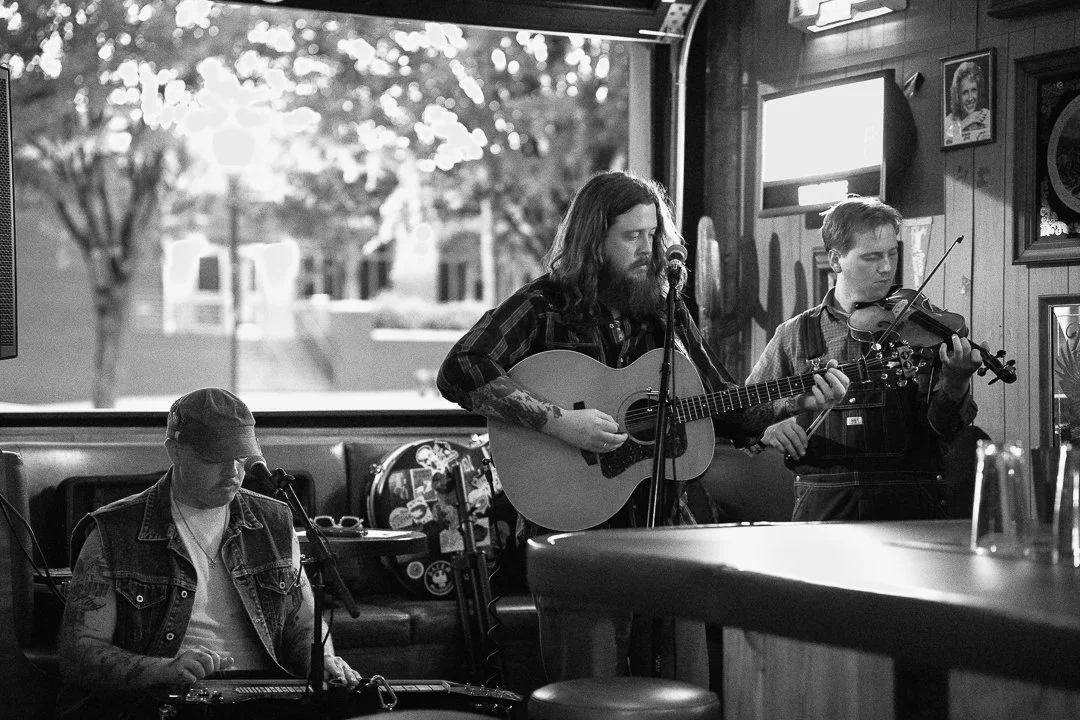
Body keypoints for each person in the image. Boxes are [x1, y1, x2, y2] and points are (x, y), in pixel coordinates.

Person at [437, 170, 848, 685]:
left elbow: (722, 402)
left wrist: (792, 398)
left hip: (665, 533)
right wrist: (560, 422)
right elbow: (461, 369)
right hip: (574, 534)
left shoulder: (663, 308)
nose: (648, 248)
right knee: (590, 694)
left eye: (654, 234)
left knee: (683, 687)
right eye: (631, 236)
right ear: (594, 239)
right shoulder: (542, 305)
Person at [56, 388, 362, 719]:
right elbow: (79, 654)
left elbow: (300, 624)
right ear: (174, 451)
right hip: (163, 701)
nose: (232, 472)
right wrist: (162, 669)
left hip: (269, 697)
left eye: (240, 458)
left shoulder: (275, 520)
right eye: (215, 459)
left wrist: (323, 662)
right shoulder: (114, 531)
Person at [742, 196, 982, 521]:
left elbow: (945, 429)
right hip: (824, 505)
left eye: (892, 254)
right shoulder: (794, 334)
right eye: (871, 257)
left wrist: (956, 382)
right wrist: (767, 430)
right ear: (836, 260)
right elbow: (743, 416)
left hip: (909, 503)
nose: (886, 267)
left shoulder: (921, 329)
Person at [944, 60, 990, 146]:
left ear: (979, 91)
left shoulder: (987, 115)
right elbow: (947, 140)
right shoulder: (949, 121)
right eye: (965, 92)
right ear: (958, 96)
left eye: (973, 90)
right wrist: (966, 122)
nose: (970, 98)